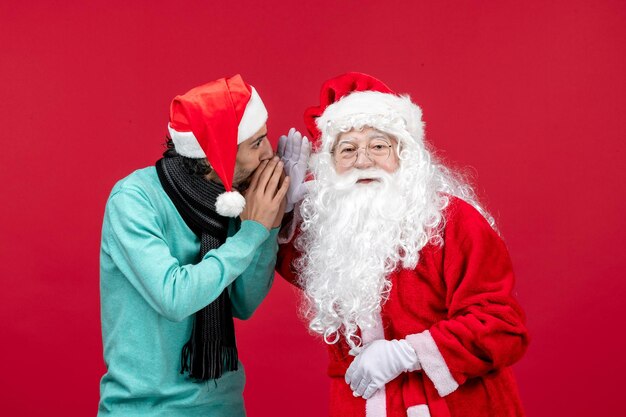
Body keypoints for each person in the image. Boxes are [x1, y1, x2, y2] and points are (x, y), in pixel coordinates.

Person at [276, 73, 529, 417]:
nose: (363, 161)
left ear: (405, 154)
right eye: (348, 150)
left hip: (458, 406)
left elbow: (501, 324)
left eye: (379, 146)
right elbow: (301, 267)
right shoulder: (329, 229)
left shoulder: (453, 219)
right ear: (330, 164)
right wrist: (282, 215)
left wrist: (409, 353)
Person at [98, 74, 290, 416]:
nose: (269, 153)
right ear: (218, 153)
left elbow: (244, 304)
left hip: (223, 406)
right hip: (144, 409)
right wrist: (252, 231)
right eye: (256, 143)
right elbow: (174, 297)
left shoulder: (232, 199)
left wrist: (271, 224)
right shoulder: (134, 199)